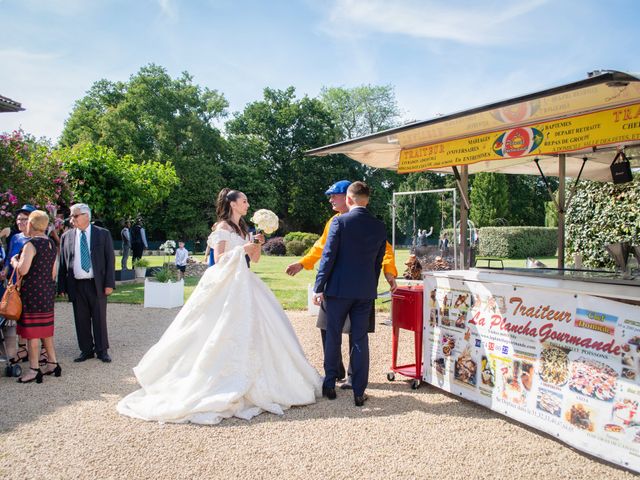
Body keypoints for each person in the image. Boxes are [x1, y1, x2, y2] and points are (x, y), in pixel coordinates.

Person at [117, 188, 321, 425]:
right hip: (225, 284)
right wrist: (242, 249)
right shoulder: (222, 228)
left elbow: (254, 261)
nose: (247, 204)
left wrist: (256, 244)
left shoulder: (245, 229)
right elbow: (221, 259)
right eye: (244, 201)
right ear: (232, 204)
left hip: (246, 281)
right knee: (216, 328)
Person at [285, 179, 398, 389]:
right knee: (329, 328)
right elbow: (321, 247)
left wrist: (389, 272)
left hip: (341, 289)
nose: (330, 200)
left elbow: (385, 251)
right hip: (357, 289)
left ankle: (352, 378)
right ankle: (337, 371)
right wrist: (303, 263)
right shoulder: (335, 220)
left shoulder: (348, 222)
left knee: (353, 334)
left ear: (347, 196)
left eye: (333, 195)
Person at [313, 181, 387, 407]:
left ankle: (329, 383)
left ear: (349, 199)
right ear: (367, 200)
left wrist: (318, 287)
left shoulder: (340, 222)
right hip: (364, 291)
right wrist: (369, 286)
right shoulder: (379, 226)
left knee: (333, 334)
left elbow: (328, 257)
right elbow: (377, 262)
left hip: (338, 290)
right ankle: (359, 390)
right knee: (359, 338)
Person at [58, 203, 116, 363]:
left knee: (99, 318)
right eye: (71, 216)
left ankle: (102, 350)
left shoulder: (102, 234)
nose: (72, 219)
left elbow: (110, 261)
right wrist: (61, 286)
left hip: (96, 283)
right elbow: (63, 262)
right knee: (81, 319)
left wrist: (109, 283)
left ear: (86, 216)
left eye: (75, 216)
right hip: (76, 284)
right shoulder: (66, 236)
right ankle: (86, 350)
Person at [10, 210, 60, 383]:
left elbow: (23, 270)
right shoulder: (51, 244)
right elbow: (53, 273)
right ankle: (53, 363)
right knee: (46, 330)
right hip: (46, 291)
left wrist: (14, 261)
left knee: (32, 333)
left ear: (31, 224)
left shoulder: (31, 245)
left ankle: (34, 369)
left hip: (32, 292)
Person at [2, 204, 36, 364]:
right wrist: (5, 271)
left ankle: (36, 349)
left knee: (31, 317)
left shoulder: (35, 239)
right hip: (15, 284)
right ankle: (22, 348)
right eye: (18, 219)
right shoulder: (15, 238)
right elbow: (10, 257)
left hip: (31, 284)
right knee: (16, 315)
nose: (20, 222)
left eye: (24, 219)